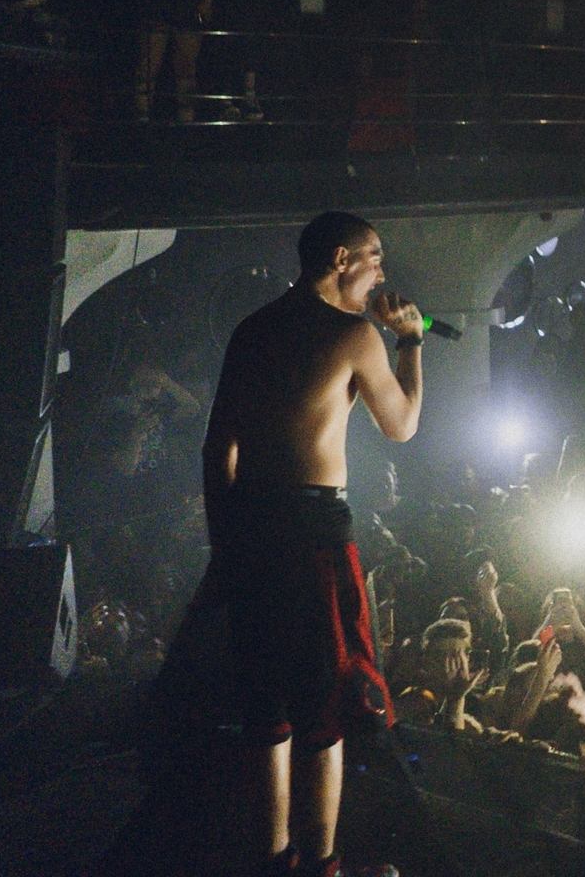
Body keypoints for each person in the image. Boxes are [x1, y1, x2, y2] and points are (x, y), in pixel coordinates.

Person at [195, 211, 423, 877]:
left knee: (265, 706)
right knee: (326, 705)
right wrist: (410, 341)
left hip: (249, 526)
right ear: (343, 258)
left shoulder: (253, 329)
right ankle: (322, 865)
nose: (382, 273)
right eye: (375, 259)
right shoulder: (355, 335)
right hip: (315, 531)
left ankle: (272, 862)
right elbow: (402, 425)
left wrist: (225, 547)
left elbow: (218, 449)